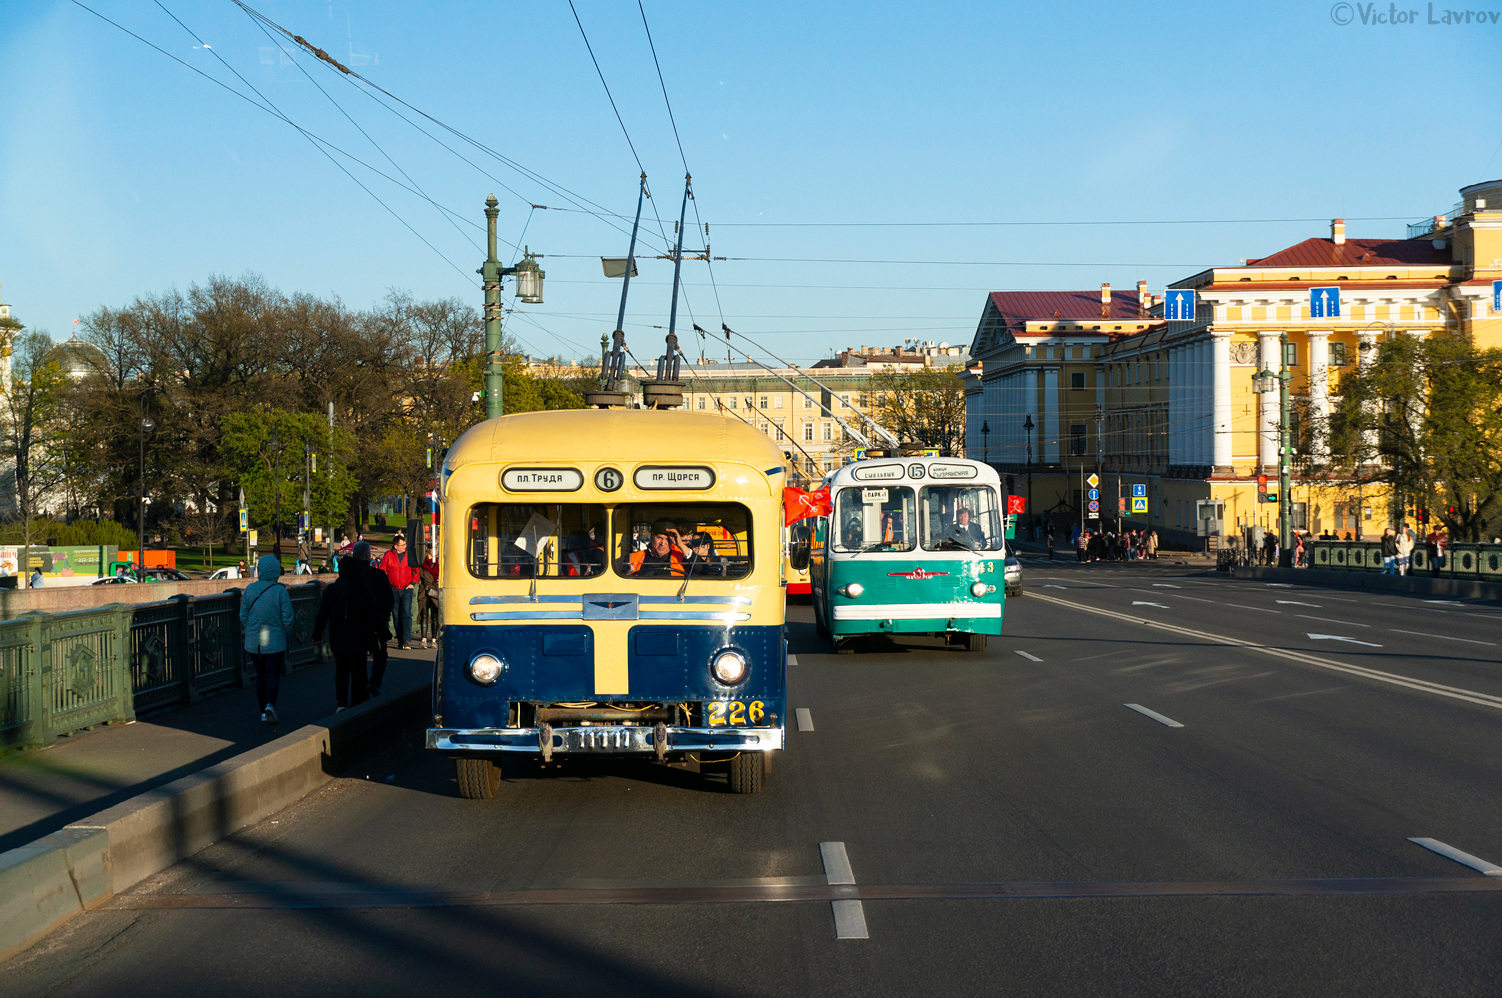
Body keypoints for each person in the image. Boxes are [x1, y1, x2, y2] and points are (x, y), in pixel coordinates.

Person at [312, 554, 379, 711]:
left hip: (338, 636)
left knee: (341, 670)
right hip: (358, 636)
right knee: (359, 670)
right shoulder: (362, 589)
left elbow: (323, 614)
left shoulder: (331, 590)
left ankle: (341, 702)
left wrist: (317, 634)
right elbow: (373, 613)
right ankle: (358, 700)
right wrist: (381, 632)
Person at [239, 554, 295, 724]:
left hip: (255, 641)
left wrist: (253, 629)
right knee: (272, 675)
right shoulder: (280, 591)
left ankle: (263, 711)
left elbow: (243, 616)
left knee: (260, 675)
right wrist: (287, 633)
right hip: (274, 639)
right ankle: (271, 705)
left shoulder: (249, 589)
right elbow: (288, 619)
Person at [352, 541, 395, 695]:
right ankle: (374, 682)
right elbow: (389, 601)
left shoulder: (351, 577)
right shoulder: (378, 575)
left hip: (355, 623)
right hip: (377, 623)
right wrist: (384, 616)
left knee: (359, 657)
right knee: (380, 654)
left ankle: (360, 688)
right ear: (368, 555)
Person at [379, 534, 418, 650]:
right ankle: (400, 640)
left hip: (407, 588)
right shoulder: (388, 555)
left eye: (405, 544)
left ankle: (407, 640)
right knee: (396, 615)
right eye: (402, 545)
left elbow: (415, 570)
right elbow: (382, 570)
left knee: (406, 613)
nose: (405, 546)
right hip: (393, 589)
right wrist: (385, 584)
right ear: (396, 546)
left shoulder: (409, 555)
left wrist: (413, 583)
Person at [417, 553, 440, 648]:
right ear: (427, 553)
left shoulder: (438, 563)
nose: (434, 554)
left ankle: (434, 640)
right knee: (424, 615)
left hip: (435, 591)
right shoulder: (422, 564)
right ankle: (424, 640)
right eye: (432, 553)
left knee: (435, 615)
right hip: (424, 591)